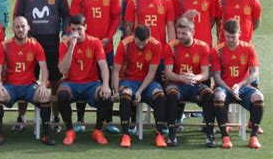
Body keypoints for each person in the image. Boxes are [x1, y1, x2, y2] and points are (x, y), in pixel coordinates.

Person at [14, 0, 70, 132]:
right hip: (30, 42)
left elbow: (66, 15)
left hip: (52, 42)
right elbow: (17, 15)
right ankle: (22, 117)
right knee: (25, 79)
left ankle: (54, 117)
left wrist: (65, 32)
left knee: (54, 81)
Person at [70, 0, 121, 133]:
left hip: (105, 46)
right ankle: (80, 120)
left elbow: (116, 18)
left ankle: (108, 120)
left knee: (107, 82)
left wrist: (108, 37)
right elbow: (74, 20)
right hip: (85, 47)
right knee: (82, 80)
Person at [0, 16, 54, 146]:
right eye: (17, 27)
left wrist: (43, 85)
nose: (20, 29)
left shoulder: (35, 45)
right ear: (12, 28)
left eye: (23, 26)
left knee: (45, 96)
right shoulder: (4, 45)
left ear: (28, 28)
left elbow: (44, 68)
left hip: (29, 86)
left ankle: (46, 134)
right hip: (10, 86)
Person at [57, 14, 112, 145]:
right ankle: (69, 131)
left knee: (105, 95)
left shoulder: (94, 42)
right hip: (71, 83)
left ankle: (98, 131)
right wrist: (71, 47)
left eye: (79, 29)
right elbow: (63, 70)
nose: (76, 33)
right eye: (73, 29)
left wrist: (105, 84)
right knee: (62, 94)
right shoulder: (65, 44)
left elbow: (103, 65)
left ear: (85, 27)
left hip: (91, 84)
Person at [112, 25, 167, 147]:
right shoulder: (124, 44)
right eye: (138, 43)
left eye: (144, 44)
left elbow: (152, 72)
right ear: (134, 37)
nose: (141, 46)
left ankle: (159, 135)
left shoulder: (156, 45)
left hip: (148, 82)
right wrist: (115, 90)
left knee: (160, 96)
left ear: (149, 38)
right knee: (125, 95)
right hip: (129, 80)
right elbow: (116, 70)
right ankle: (125, 135)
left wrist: (140, 91)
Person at [163, 17, 215, 147]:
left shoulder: (203, 47)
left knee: (208, 94)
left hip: (195, 85)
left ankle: (210, 135)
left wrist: (193, 78)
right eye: (178, 33)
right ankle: (171, 134)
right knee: (171, 94)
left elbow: (205, 74)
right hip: (177, 84)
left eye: (183, 33)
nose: (180, 36)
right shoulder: (170, 47)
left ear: (192, 32)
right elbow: (168, 74)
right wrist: (182, 78)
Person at [212, 19, 264, 149]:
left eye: (233, 36)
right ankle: (225, 137)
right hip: (224, 87)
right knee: (218, 97)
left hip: (243, 87)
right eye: (227, 36)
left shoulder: (248, 48)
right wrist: (229, 89)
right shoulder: (217, 50)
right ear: (223, 33)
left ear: (239, 33)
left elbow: (254, 73)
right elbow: (217, 77)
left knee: (259, 97)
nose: (230, 40)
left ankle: (253, 137)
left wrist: (239, 86)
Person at [124, 0, 175, 86]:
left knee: (162, 90)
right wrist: (131, 50)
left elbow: (171, 26)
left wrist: (172, 48)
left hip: (161, 53)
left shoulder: (166, 2)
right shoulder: (134, 1)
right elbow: (128, 27)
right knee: (136, 87)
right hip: (140, 53)